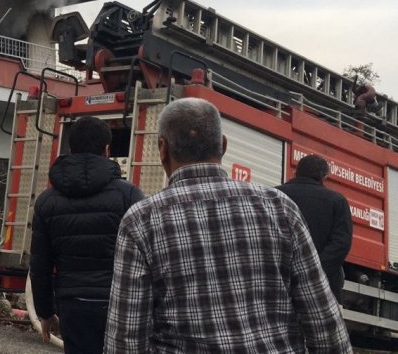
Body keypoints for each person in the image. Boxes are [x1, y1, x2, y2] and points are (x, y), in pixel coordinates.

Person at [104, 98, 351, 353]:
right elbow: (322, 318)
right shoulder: (280, 207)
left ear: (162, 149)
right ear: (222, 146)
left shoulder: (141, 221)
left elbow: (127, 335)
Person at [30, 117, 143, 354]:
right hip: (118, 302)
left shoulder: (46, 202)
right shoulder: (129, 196)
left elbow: (40, 264)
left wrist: (45, 312)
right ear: (107, 150)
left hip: (73, 304)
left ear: (70, 149)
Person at [277, 154, 353, 303]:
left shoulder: (275, 195)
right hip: (321, 289)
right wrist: (314, 270)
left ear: (295, 173)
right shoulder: (337, 201)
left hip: (279, 283)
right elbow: (341, 244)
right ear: (324, 178)